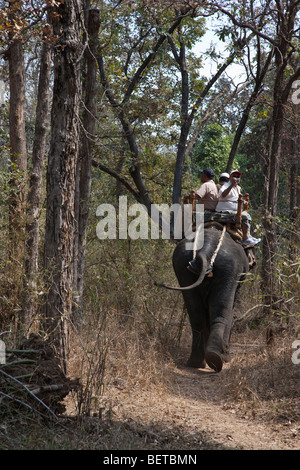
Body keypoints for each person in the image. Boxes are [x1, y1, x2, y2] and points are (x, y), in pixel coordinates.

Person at [216, 170, 260, 246]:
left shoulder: (238, 188)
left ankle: (248, 235)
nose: (236, 178)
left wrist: (243, 202)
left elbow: (235, 198)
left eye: (238, 177)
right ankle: (245, 238)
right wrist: (231, 185)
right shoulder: (226, 186)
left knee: (246, 214)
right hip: (225, 210)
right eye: (234, 176)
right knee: (245, 216)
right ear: (230, 178)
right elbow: (223, 195)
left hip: (233, 210)